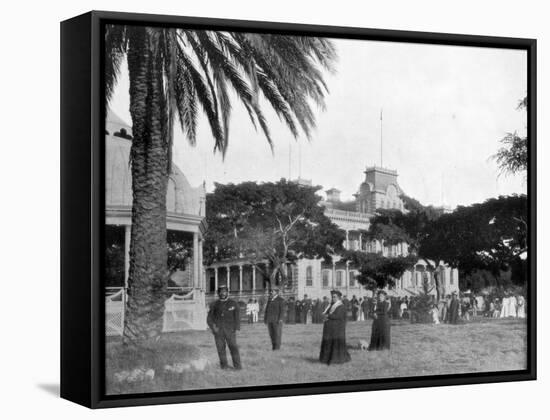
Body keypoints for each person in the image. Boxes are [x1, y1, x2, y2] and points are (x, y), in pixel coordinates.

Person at [206, 286, 242, 370]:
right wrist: (214, 328)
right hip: (218, 331)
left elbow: (237, 317)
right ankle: (224, 366)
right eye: (221, 292)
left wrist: (236, 328)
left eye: (225, 292)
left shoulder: (233, 303)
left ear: (227, 293)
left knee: (233, 347)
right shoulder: (214, 304)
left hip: (230, 330)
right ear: (218, 293)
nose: (223, 293)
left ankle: (237, 366)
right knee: (220, 348)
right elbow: (209, 318)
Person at [319, 290, 351, 365]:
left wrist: (328, 316)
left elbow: (338, 316)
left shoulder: (341, 306)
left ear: (339, 298)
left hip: (338, 329)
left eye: (334, 297)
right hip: (331, 329)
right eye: (332, 297)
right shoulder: (331, 305)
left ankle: (336, 359)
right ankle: (327, 358)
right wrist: (325, 316)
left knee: (335, 344)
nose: (333, 298)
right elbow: (328, 313)